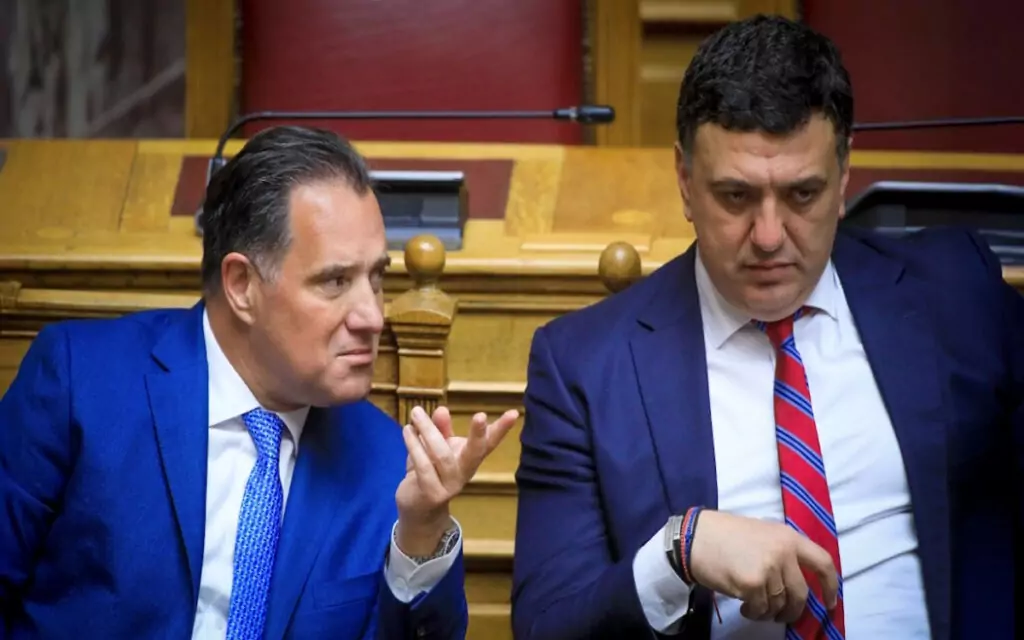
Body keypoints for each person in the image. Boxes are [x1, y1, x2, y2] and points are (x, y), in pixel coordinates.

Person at [511, 14, 1021, 640]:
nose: (770, 236)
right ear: (684, 180)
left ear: (844, 176)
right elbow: (547, 625)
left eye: (803, 194)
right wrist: (678, 552)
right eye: (736, 196)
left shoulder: (955, 294)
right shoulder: (585, 366)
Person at [0, 125, 518, 639]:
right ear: (242, 285)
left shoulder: (388, 465)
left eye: (377, 279)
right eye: (336, 281)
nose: (373, 317)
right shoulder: (81, 382)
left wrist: (422, 531)